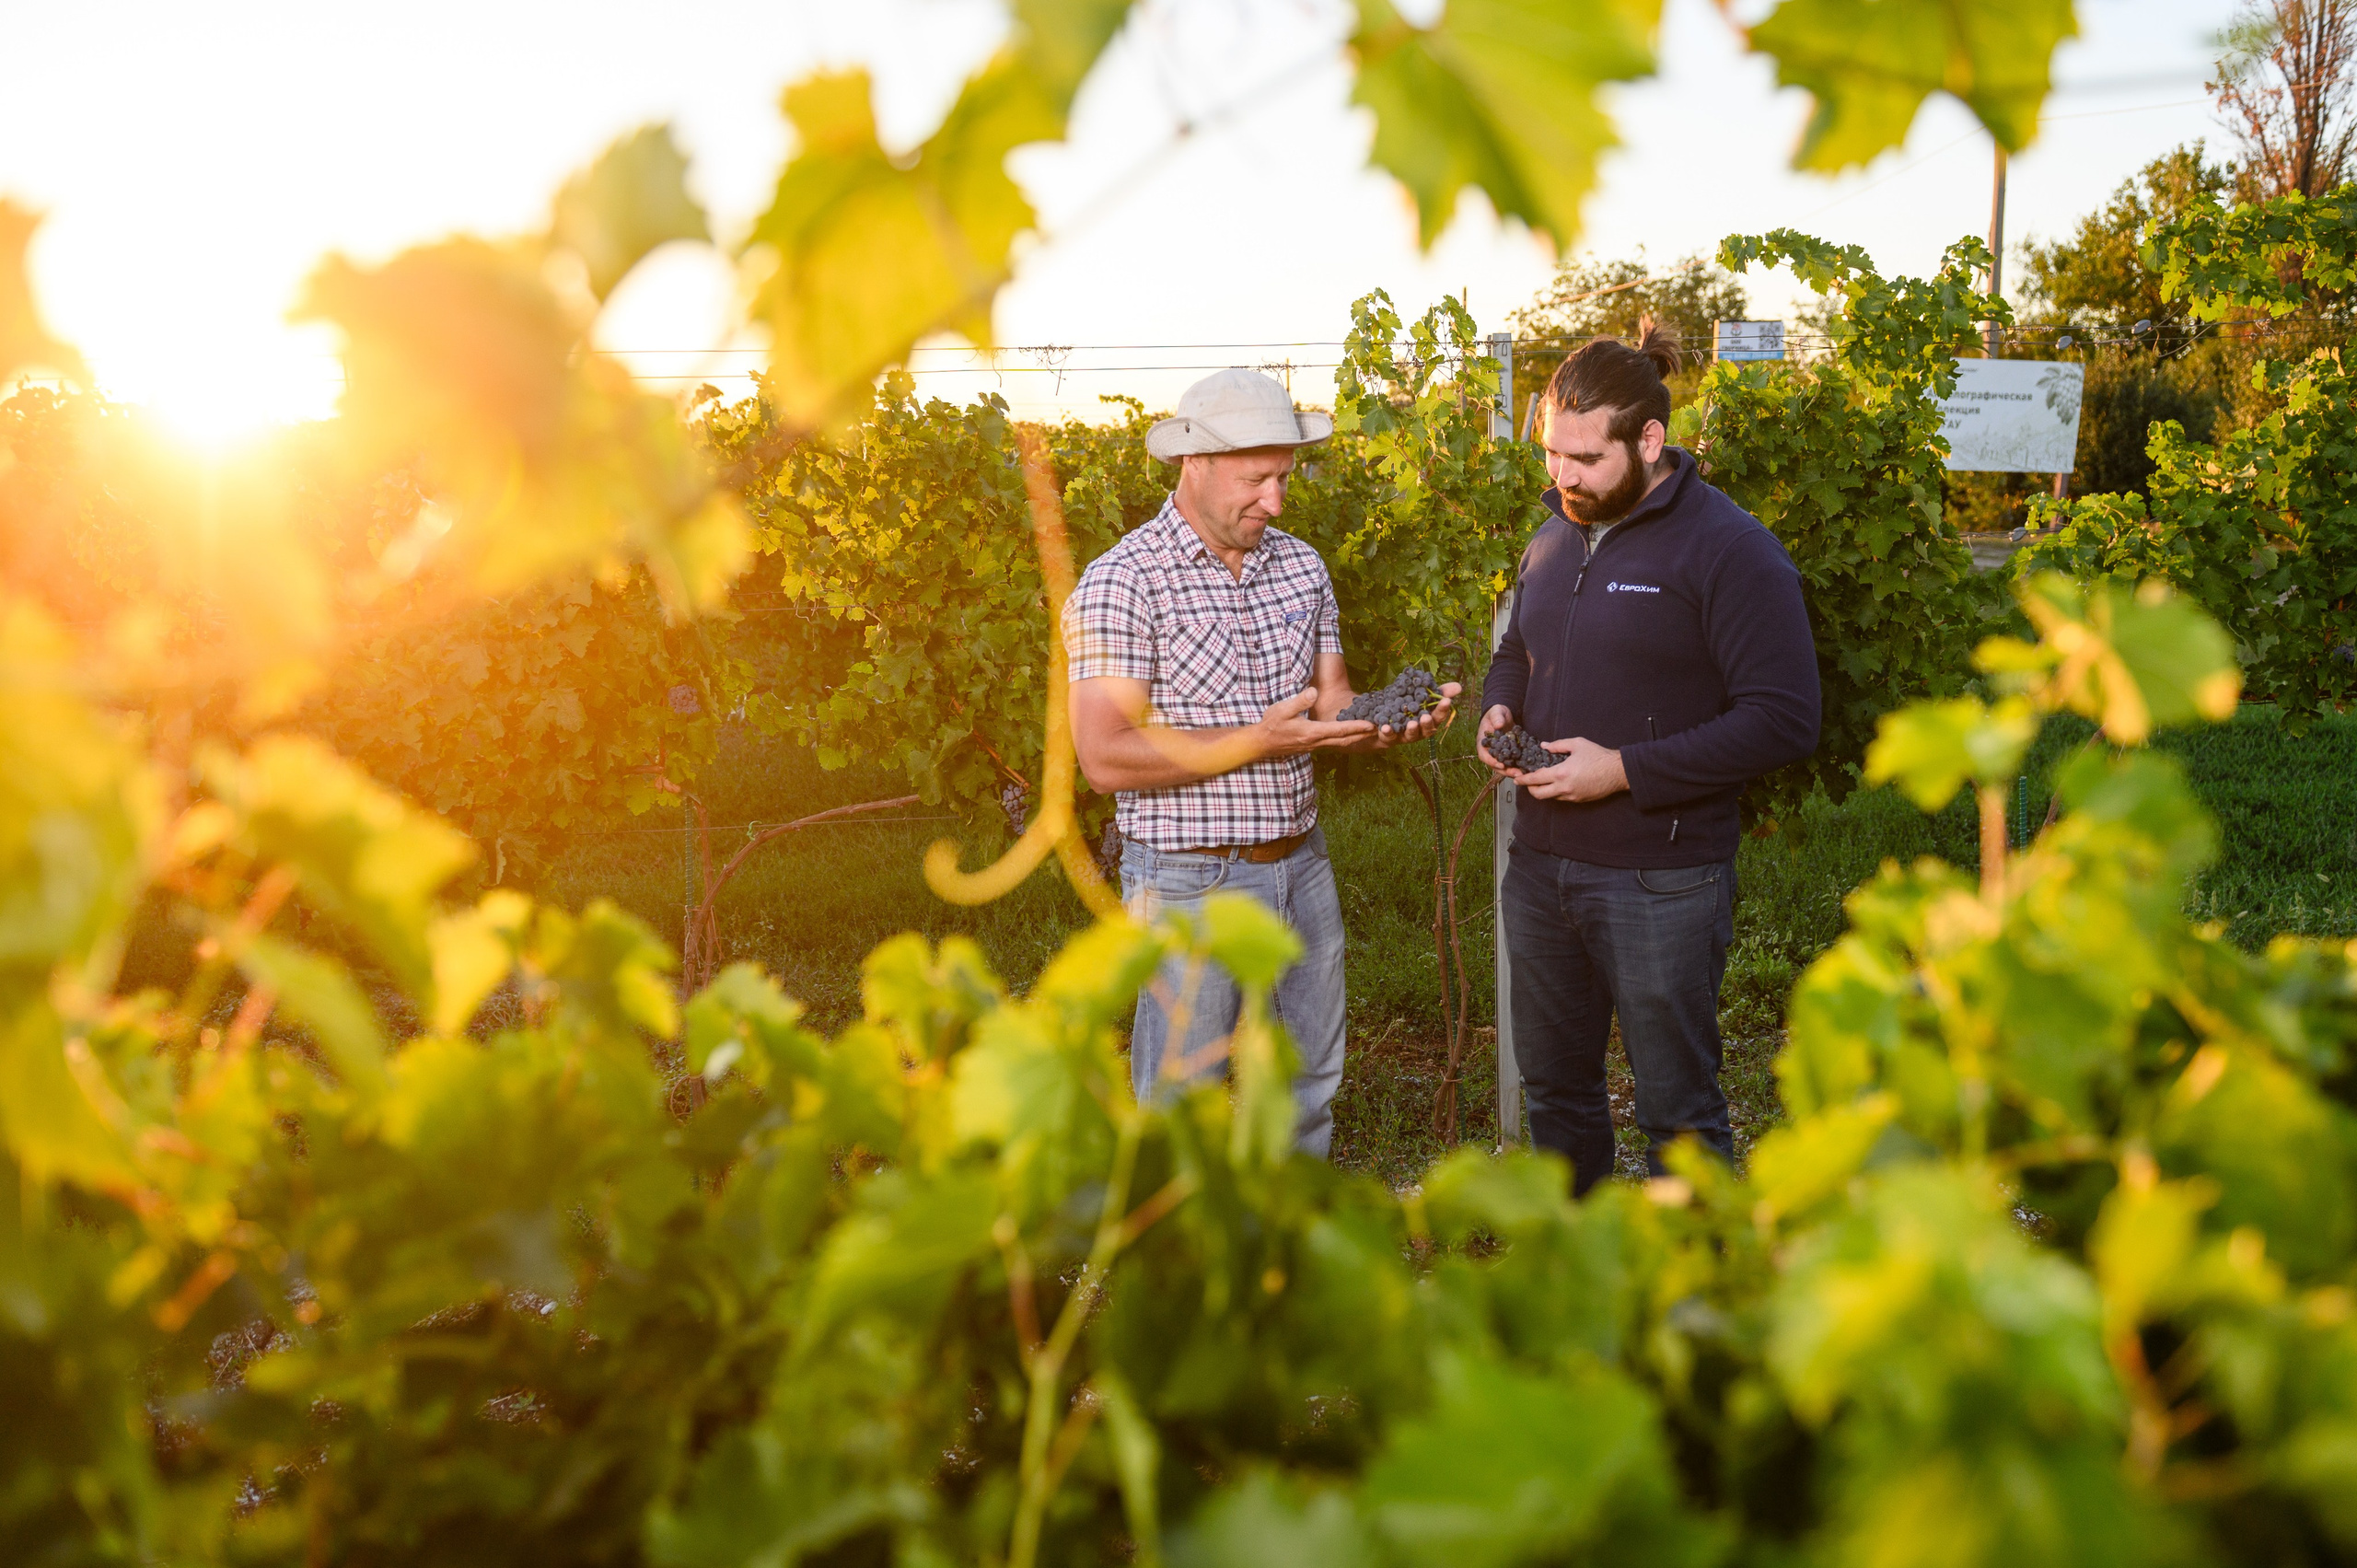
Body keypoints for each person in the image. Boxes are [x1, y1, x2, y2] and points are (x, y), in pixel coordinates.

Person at [1065, 368, 1458, 1156]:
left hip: (1301, 867)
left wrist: (1382, 723)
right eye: (1257, 480)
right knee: (1184, 1106)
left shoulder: (1302, 567)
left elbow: (1332, 699)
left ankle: (1292, 1251)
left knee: (1309, 1083)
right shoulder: (1123, 581)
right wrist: (1260, 740)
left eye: (1284, 478)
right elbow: (1105, 757)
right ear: (1195, 464)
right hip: (1187, 883)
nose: (1276, 502)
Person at [1477, 326, 1819, 1196]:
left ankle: (1697, 1304)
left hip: (1661, 881)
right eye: (1552, 454)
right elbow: (1515, 643)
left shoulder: (1731, 549)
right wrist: (1498, 702)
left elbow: (1785, 721)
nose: (1563, 477)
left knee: (1678, 1115)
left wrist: (1623, 768)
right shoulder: (1555, 530)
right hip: (1541, 868)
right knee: (1556, 1095)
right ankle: (1581, 1279)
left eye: (1585, 459)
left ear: (1650, 441)